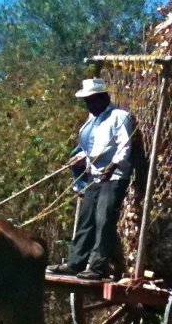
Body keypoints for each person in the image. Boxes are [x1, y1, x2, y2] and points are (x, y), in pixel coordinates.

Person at [47, 78, 133, 281]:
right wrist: (78, 161)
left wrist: (112, 167)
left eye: (92, 100)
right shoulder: (90, 123)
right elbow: (87, 150)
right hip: (94, 177)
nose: (89, 105)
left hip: (114, 178)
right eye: (87, 101)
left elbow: (125, 145)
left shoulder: (119, 117)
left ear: (104, 98)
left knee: (103, 221)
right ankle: (75, 263)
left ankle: (98, 267)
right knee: (86, 221)